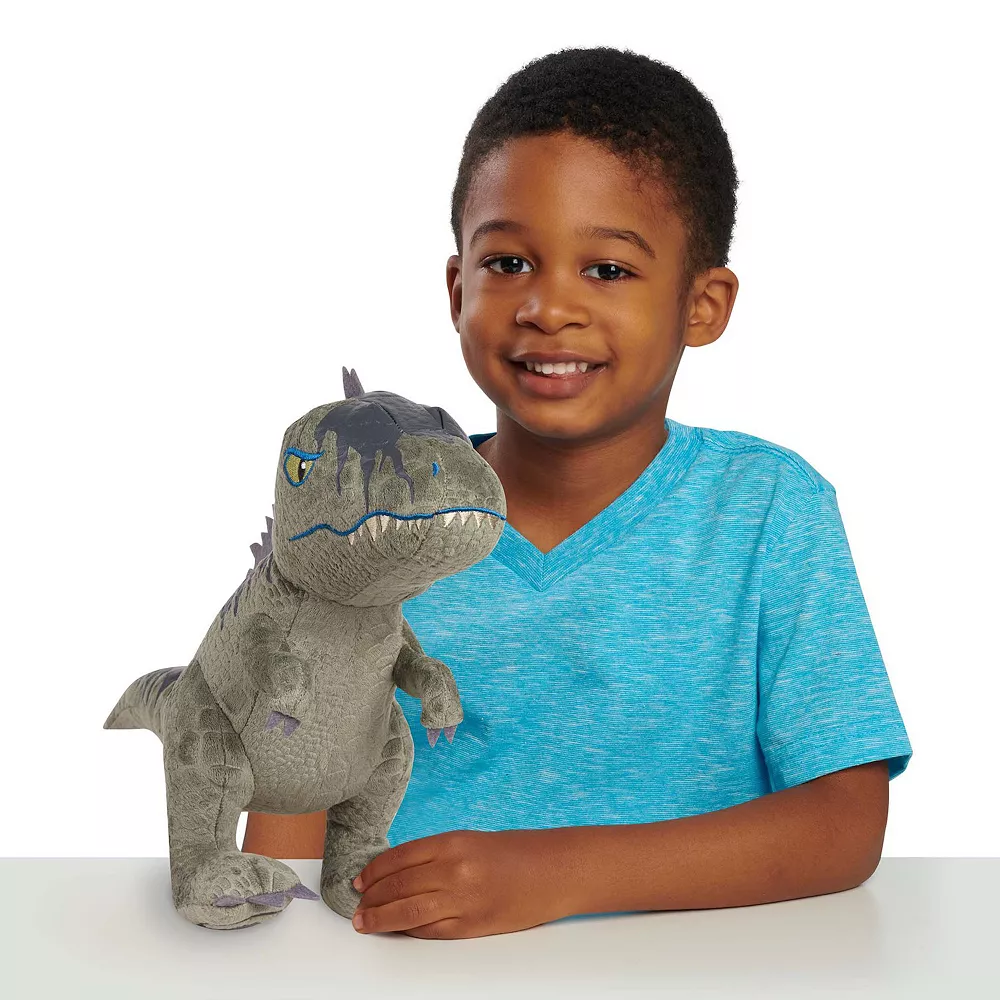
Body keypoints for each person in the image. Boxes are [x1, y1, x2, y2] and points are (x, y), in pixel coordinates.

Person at [242, 45, 912, 939]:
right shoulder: (365, 527)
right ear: (457, 287)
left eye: (607, 270)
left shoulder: (768, 511)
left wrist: (555, 876)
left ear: (703, 304)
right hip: (405, 970)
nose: (548, 308)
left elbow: (845, 824)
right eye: (508, 263)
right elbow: (287, 827)